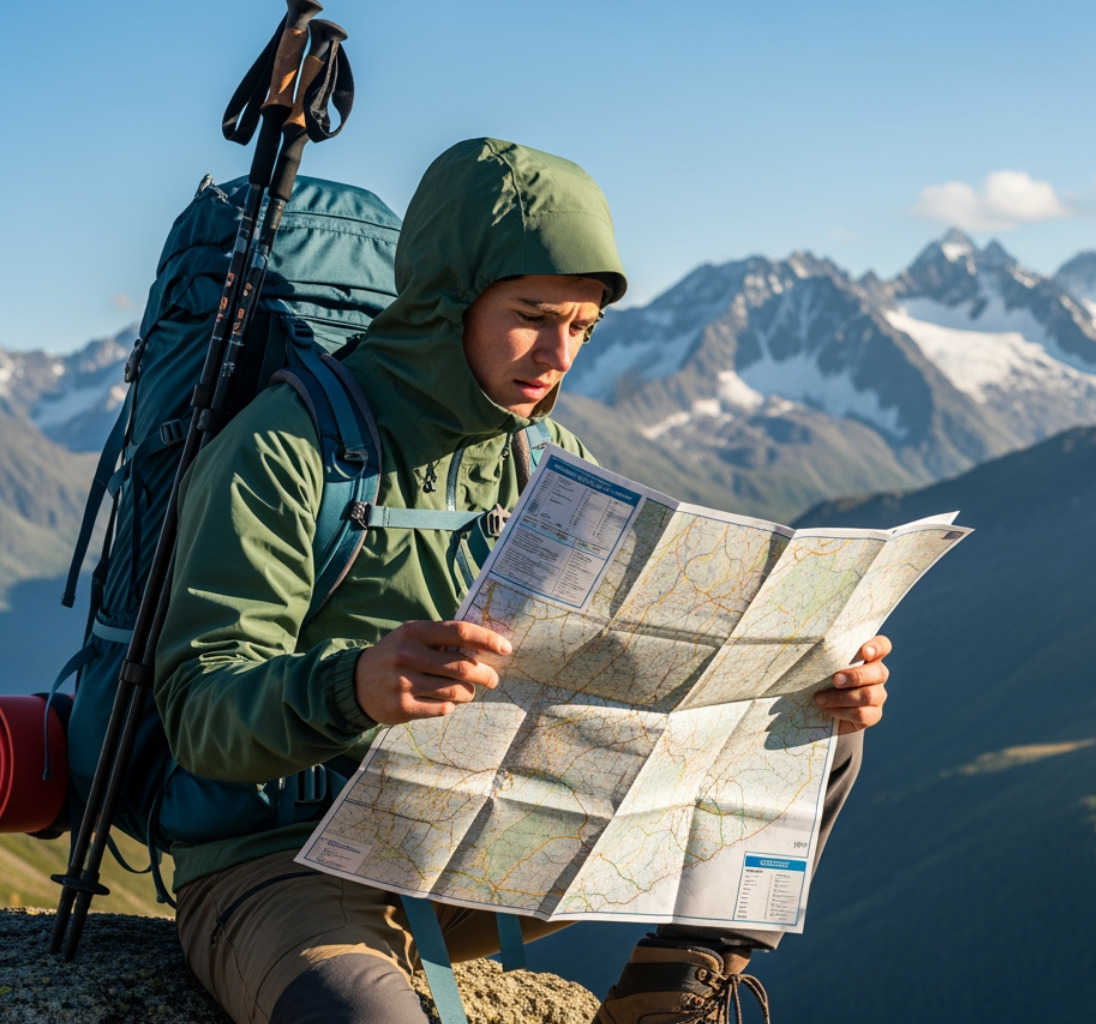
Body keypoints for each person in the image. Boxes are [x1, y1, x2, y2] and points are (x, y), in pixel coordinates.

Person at [154, 138, 892, 1024]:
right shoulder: (286, 448)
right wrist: (354, 685)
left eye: (582, 327)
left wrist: (799, 677)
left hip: (482, 843)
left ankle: (671, 994)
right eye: (534, 314)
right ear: (447, 298)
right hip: (286, 858)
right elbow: (197, 711)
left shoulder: (552, 460)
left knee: (812, 719)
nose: (558, 354)